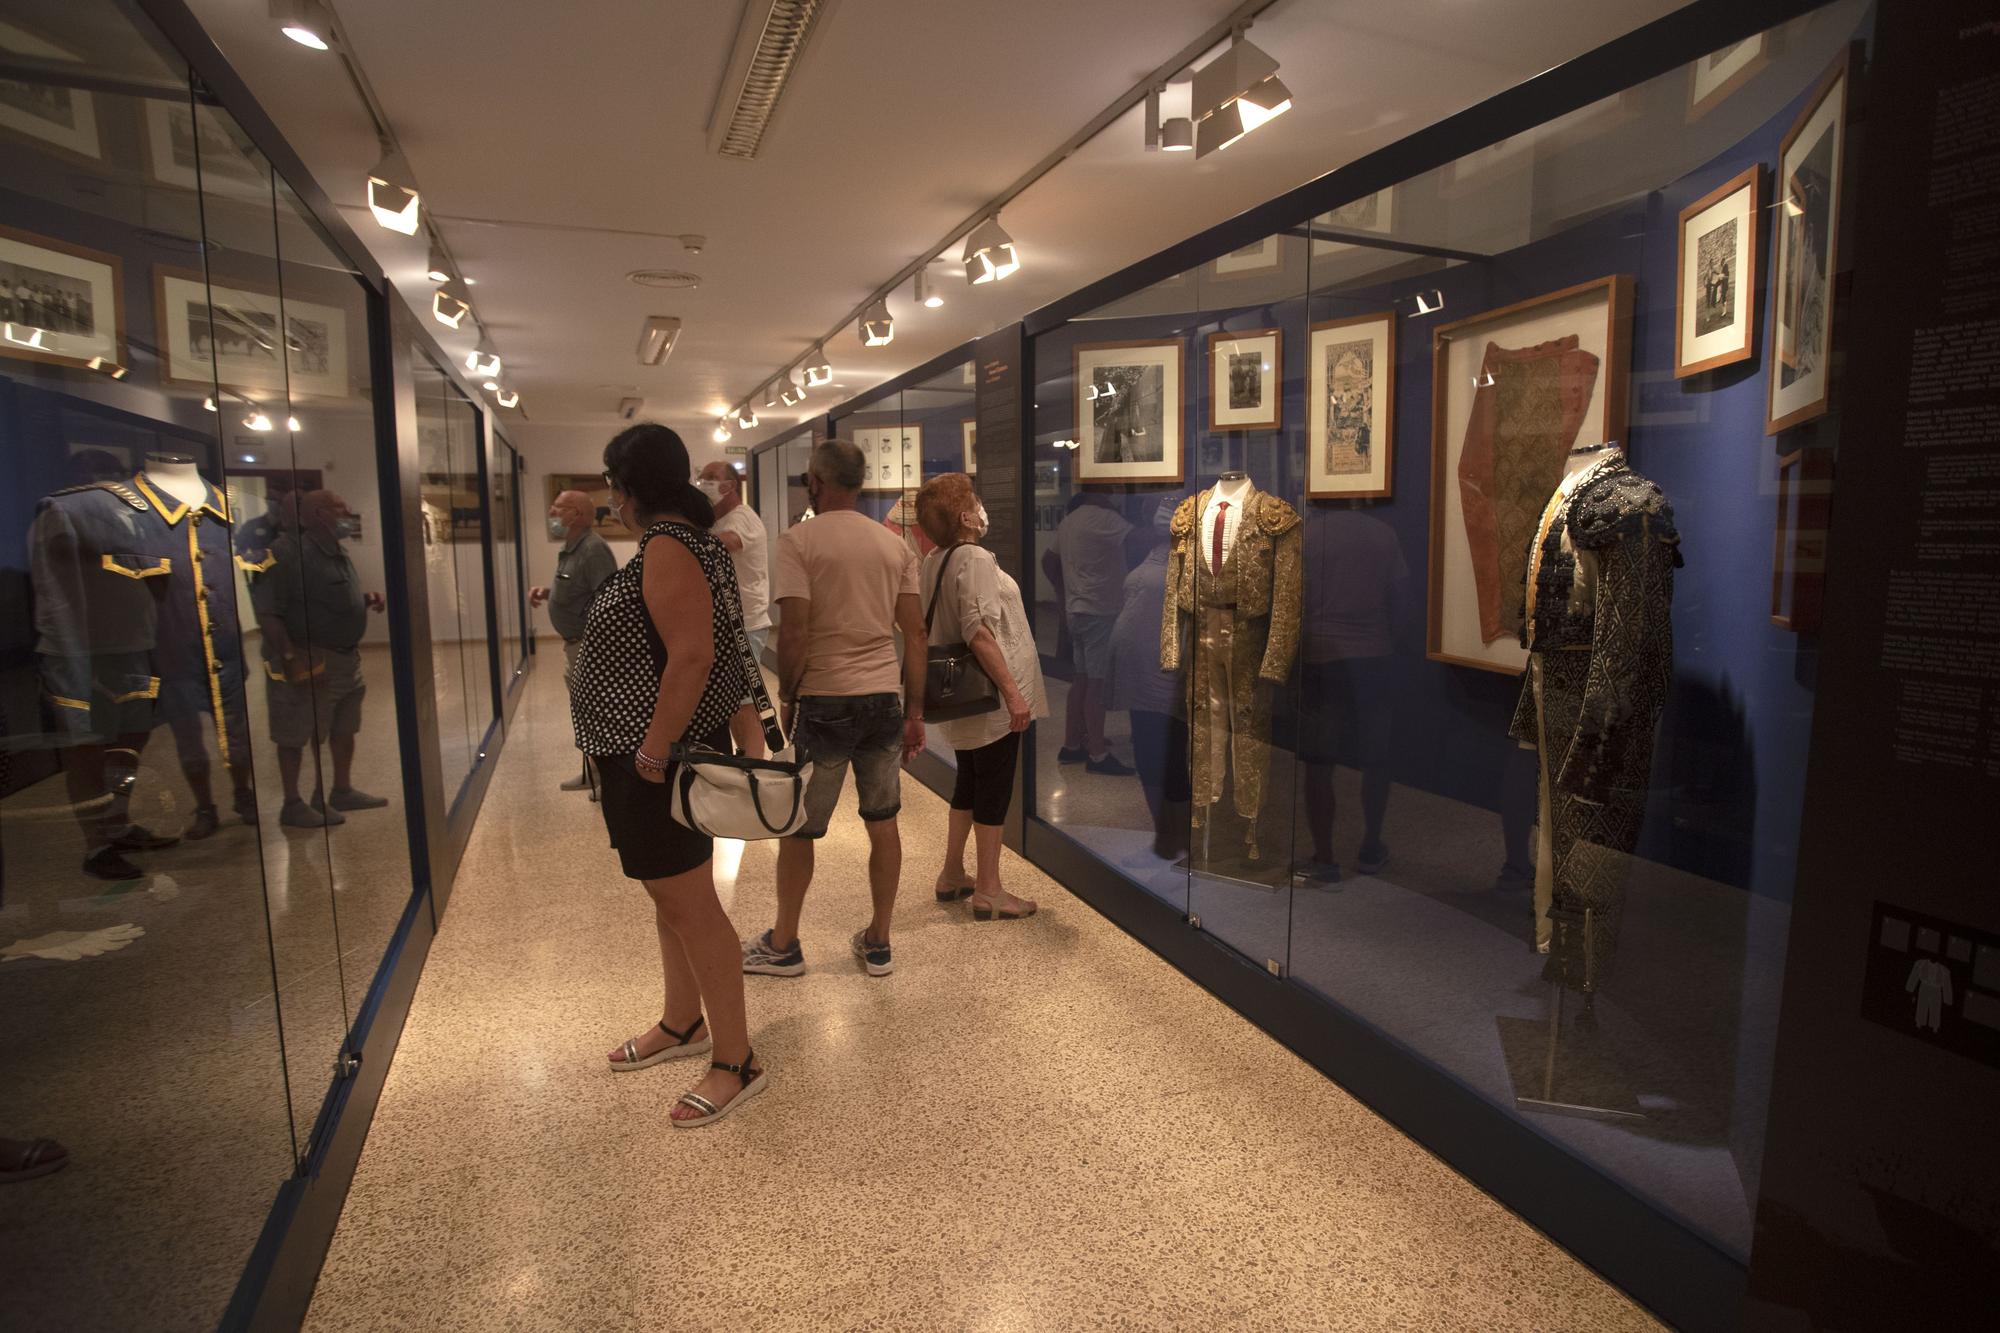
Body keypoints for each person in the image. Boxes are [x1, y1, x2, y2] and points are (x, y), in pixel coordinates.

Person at [572, 423, 766, 1127]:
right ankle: (683, 1020)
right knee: (669, 895)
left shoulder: (669, 544)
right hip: (647, 754)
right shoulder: (695, 541)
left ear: (629, 489)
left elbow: (692, 658)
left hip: (653, 757)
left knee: (692, 906)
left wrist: (652, 751)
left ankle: (737, 1059)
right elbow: (721, 647)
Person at [743, 438, 925, 980]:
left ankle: (784, 943)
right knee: (883, 820)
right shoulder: (894, 546)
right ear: (861, 482)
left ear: (815, 482)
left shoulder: (798, 541)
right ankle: (879, 941)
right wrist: (915, 711)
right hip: (882, 701)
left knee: (800, 826)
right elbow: (914, 634)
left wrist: (789, 694)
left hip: (825, 698)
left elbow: (794, 630)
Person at [915, 473, 1046, 919]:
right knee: (993, 786)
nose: (981, 504)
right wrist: (1014, 694)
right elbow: (979, 631)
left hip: (964, 697)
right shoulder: (974, 557)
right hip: (987, 696)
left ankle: (953, 873)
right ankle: (989, 888)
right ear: (966, 515)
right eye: (975, 498)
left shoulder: (936, 557)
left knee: (969, 781)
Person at [254, 490, 388, 829]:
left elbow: (327, 596)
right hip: (309, 657)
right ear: (316, 514)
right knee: (299, 731)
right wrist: (291, 657)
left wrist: (365, 599)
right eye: (339, 506)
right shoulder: (285, 553)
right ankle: (294, 801)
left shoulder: (335, 551)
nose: (347, 511)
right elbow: (269, 613)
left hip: (344, 659)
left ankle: (340, 790)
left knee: (343, 727)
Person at [1296, 504, 1407, 883]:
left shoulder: (1309, 537)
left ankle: (1325, 857)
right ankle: (1372, 844)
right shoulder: (1382, 534)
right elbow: (1398, 597)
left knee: (1319, 760)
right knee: (1376, 757)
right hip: (1374, 654)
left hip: (1322, 656)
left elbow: (1295, 600)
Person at [1108, 497, 1191, 863]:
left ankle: (1177, 839)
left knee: (1168, 756)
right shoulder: (1153, 551)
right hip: (1139, 673)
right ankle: (1164, 836)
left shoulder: (1192, 562)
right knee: (1148, 754)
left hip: (1165, 672)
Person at [529, 489, 618, 792]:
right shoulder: (573, 548)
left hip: (589, 647)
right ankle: (593, 771)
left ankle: (607, 777)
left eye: (558, 508)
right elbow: (579, 590)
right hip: (575, 646)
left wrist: (600, 653)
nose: (552, 513)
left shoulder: (593, 549)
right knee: (585, 712)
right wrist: (548, 593)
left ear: (577, 515)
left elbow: (608, 601)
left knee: (597, 713)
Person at [1053, 492, 1134, 774]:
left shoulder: (1068, 521)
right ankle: (1097, 753)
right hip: (1099, 609)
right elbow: (1138, 539)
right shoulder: (1105, 518)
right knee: (1096, 685)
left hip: (1077, 608)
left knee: (1082, 680)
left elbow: (1049, 559)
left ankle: (1072, 743)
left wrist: (1061, 596)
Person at [697, 460, 772, 759]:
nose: (705, 483)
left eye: (712, 477)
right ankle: (744, 756)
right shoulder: (715, 521)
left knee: (744, 698)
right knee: (731, 697)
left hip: (747, 624)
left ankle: (753, 764)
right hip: (725, 624)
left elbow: (728, 543)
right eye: (702, 477)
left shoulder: (742, 518)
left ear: (730, 485)